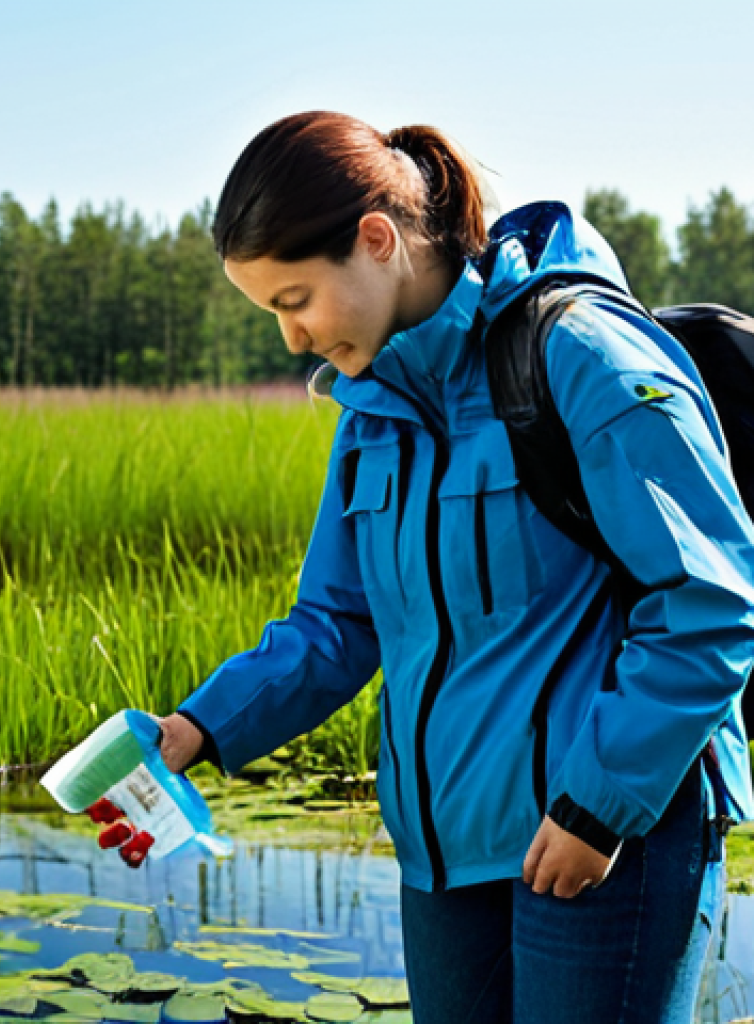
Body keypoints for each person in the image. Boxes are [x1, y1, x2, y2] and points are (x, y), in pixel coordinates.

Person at [156, 111, 754, 1023]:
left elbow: (709, 601)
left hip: (608, 842)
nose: (292, 339)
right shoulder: (372, 413)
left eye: (294, 300)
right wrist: (198, 729)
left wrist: (598, 810)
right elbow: (334, 627)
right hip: (445, 861)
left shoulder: (582, 355)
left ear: (376, 239)